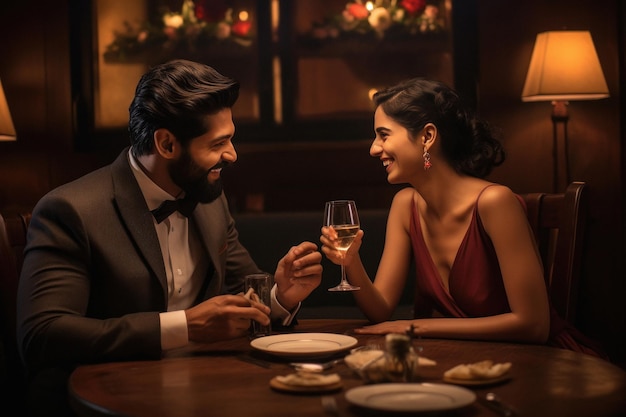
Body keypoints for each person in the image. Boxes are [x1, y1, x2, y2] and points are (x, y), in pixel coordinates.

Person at [16, 59, 323, 417]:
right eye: (218, 143)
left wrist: (280, 296)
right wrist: (185, 326)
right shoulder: (70, 210)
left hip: (202, 389)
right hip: (103, 399)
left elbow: (244, 293)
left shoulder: (210, 199)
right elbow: (44, 334)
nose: (232, 154)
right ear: (166, 144)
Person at [320, 77, 605, 358]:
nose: (373, 148)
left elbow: (534, 325)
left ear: (427, 137)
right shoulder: (405, 205)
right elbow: (380, 310)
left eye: (384, 135)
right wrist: (350, 260)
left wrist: (415, 327)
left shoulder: (495, 202)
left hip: (538, 362)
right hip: (465, 358)